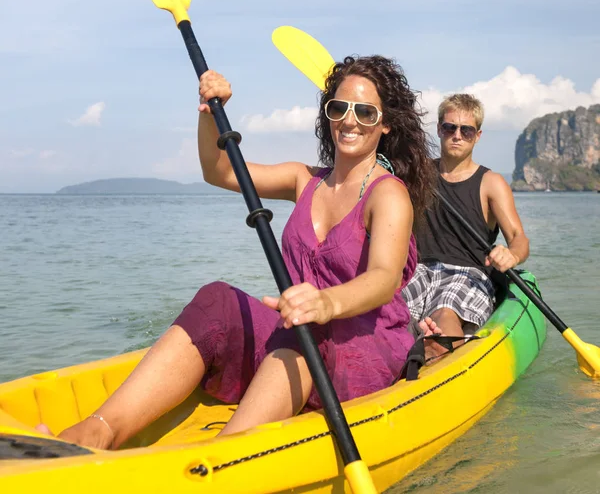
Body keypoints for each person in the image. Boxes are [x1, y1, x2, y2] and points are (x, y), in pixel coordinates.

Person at [38, 55, 436, 450]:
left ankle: (223, 459)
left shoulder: (388, 194)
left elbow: (384, 277)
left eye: (365, 112)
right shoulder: (305, 181)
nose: (350, 120)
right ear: (328, 114)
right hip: (302, 332)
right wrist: (211, 114)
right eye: (339, 108)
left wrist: (326, 303)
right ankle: (98, 431)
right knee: (218, 301)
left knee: (302, 337)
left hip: (362, 352)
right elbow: (220, 171)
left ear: (385, 124)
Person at [402, 93, 530, 351]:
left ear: (477, 136)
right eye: (450, 127)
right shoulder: (417, 174)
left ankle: (441, 362)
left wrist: (512, 256)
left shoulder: (491, 183)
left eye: (466, 130)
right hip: (418, 269)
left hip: (467, 274)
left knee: (444, 315)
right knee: (387, 314)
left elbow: (518, 238)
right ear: (439, 129)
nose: (457, 135)